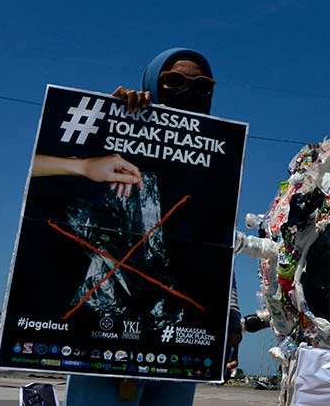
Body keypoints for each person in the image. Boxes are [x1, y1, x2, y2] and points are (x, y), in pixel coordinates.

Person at [65, 48, 242, 405]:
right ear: (151, 83)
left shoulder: (214, 161)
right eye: (174, 81)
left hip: (180, 333)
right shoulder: (119, 141)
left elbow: (212, 241)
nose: (188, 91)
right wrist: (112, 117)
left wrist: (231, 320)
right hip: (106, 327)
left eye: (202, 85)